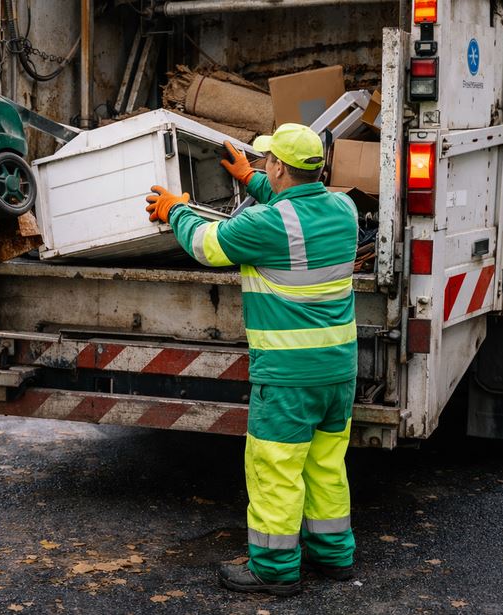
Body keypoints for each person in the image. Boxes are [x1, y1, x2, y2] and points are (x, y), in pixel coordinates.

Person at [145, 123, 358, 597]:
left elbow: (206, 245)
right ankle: (333, 555)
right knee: (326, 465)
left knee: (275, 470)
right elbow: (298, 206)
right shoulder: (344, 208)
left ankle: (275, 569)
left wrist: (175, 209)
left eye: (267, 162)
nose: (264, 166)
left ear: (280, 166)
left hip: (287, 375)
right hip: (338, 370)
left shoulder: (265, 226)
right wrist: (251, 179)